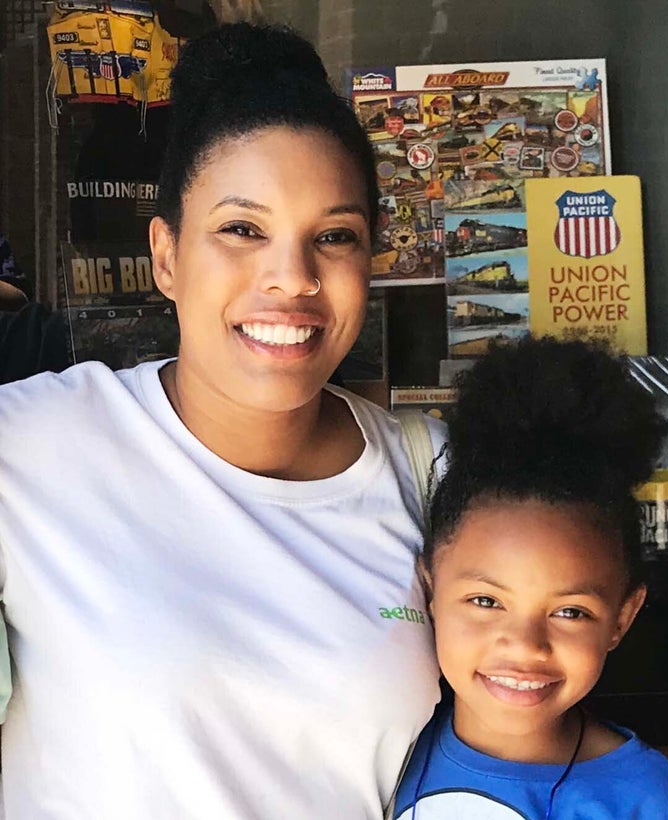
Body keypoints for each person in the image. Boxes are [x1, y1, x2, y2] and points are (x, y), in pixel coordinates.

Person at [0, 24, 445, 819]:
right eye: (242, 229)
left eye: (334, 237)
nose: (292, 279)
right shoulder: (32, 450)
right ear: (166, 256)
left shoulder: (431, 475)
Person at [393, 337, 668, 819]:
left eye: (570, 611)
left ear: (622, 618)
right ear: (431, 590)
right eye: (485, 601)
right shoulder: (391, 753)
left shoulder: (650, 805)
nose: (525, 646)